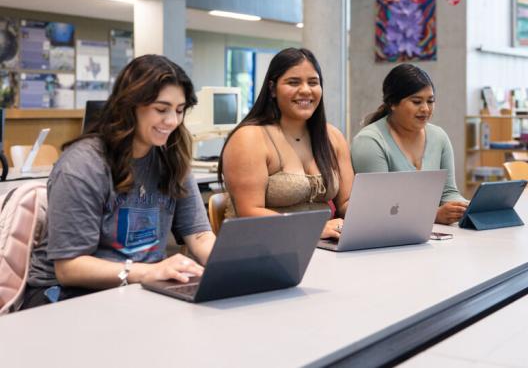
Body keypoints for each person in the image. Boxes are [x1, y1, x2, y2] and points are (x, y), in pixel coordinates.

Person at [23, 55, 215, 308]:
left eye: (179, 111)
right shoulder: (83, 165)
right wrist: (147, 273)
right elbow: (70, 267)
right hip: (66, 295)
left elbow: (199, 235)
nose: (172, 121)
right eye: (161, 109)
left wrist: (232, 268)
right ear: (130, 106)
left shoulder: (172, 157)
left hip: (139, 287)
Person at [219, 47, 354, 239]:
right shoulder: (249, 138)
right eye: (293, 82)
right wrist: (313, 229)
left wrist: (376, 214)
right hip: (262, 246)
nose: (306, 90)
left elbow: (346, 202)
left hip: (321, 246)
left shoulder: (332, 136)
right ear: (272, 89)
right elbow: (249, 212)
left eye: (313, 82)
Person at [351, 63, 467, 225]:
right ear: (393, 103)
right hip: (387, 237)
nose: (426, 109)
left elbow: (448, 192)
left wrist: (463, 208)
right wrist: (433, 215)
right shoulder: (370, 142)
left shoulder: (439, 137)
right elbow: (379, 206)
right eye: (417, 101)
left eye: (430, 101)